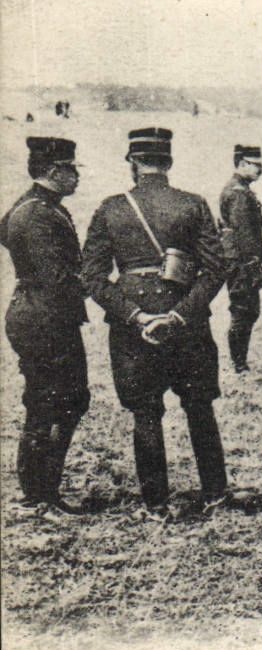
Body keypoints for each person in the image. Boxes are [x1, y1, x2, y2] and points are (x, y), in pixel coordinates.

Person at [81, 127, 230, 518]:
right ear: (169, 162)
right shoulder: (193, 204)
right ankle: (216, 495)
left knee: (146, 413)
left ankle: (156, 504)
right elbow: (216, 270)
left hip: (134, 328)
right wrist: (180, 315)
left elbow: (92, 277)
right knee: (200, 408)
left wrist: (135, 315)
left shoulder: (111, 208)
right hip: (189, 322)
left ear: (133, 163)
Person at [2, 137, 89, 515]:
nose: (77, 177)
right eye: (72, 170)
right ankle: (40, 494)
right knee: (54, 403)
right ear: (54, 171)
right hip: (46, 319)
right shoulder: (40, 214)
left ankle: (40, 491)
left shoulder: (31, 205)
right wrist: (95, 283)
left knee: (57, 400)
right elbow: (57, 278)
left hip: (38, 314)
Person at [218, 143, 262, 374]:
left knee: (246, 310)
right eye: (255, 165)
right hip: (241, 261)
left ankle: (240, 362)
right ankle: (239, 365)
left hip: (239, 260)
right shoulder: (239, 193)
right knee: (243, 310)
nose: (260, 170)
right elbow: (244, 232)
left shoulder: (240, 189)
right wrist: (252, 264)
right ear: (241, 164)